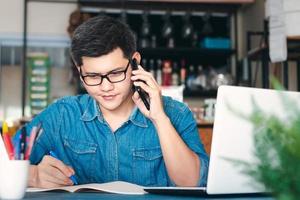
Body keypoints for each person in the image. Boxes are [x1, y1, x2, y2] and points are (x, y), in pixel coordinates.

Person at [19, 15, 209, 188]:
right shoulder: (62, 115)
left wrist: (160, 119)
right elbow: (6, 157)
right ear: (80, 71)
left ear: (134, 62)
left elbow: (193, 182)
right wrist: (33, 175)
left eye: (116, 73)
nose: (106, 87)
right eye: (93, 76)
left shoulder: (176, 113)